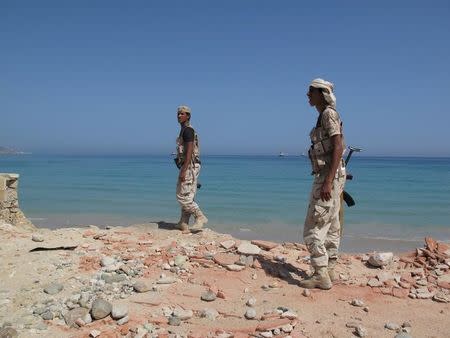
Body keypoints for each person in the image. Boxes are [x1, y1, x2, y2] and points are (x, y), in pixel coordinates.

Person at [299, 79, 346, 290]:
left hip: (328, 176)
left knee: (313, 227)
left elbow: (338, 146)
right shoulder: (324, 115)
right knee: (332, 224)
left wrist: (328, 181)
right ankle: (330, 268)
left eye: (311, 91)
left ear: (321, 93)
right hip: (333, 176)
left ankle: (320, 274)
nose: (307, 95)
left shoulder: (328, 114)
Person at [175, 105, 208, 232]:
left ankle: (200, 217)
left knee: (182, 195)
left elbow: (189, 152)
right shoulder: (184, 130)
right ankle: (183, 223)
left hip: (189, 165)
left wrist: (184, 170)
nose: (179, 116)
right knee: (188, 194)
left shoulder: (188, 131)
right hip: (191, 166)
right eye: (178, 114)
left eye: (182, 114)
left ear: (188, 116)